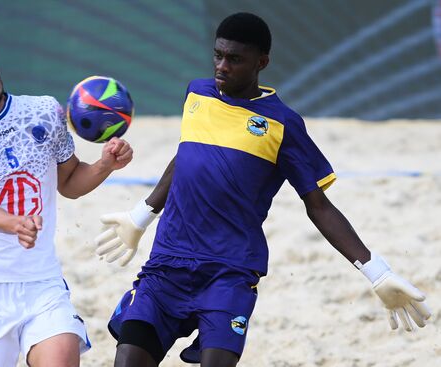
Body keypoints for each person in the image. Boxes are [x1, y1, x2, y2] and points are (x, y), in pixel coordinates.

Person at [94, 12, 431, 367]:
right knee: (128, 359)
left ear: (262, 62)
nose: (222, 66)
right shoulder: (197, 93)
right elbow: (187, 156)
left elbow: (319, 207)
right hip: (167, 264)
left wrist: (376, 271)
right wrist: (142, 214)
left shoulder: (283, 123)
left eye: (234, 59)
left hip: (229, 273)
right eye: (218, 55)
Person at [0, 19, 133, 367]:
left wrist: (105, 164)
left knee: (62, 358)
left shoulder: (44, 110)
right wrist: (13, 223)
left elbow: (70, 182)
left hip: (41, 278)